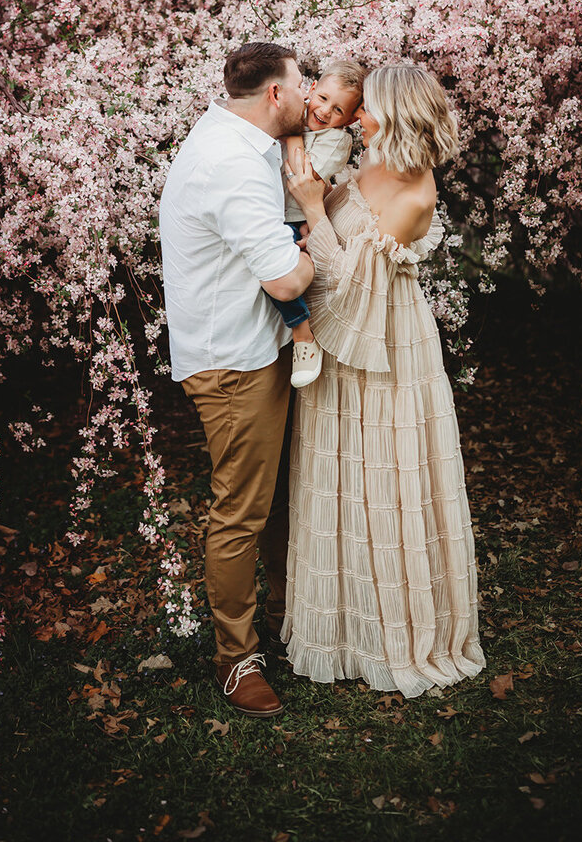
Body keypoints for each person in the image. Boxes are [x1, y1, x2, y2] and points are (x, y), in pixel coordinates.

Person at [281, 63, 486, 697]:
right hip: (342, 352)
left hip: (385, 345)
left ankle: (392, 632)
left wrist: (315, 205)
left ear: (394, 115)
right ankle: (340, 624)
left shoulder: (415, 195)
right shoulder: (368, 163)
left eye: (367, 109)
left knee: (384, 475)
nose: (357, 119)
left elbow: (345, 284)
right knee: (339, 475)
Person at [159, 41, 314, 717]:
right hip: (234, 363)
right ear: (274, 94)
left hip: (256, 347)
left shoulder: (238, 143)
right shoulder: (231, 163)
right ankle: (235, 659)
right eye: (302, 84)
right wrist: (313, 251)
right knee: (241, 511)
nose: (310, 97)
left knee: (274, 499)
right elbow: (283, 276)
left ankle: (286, 619)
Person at [267, 60, 365, 390]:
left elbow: (302, 179)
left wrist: (292, 130)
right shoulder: (290, 113)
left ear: (350, 120)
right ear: (311, 89)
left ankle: (302, 334)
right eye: (322, 98)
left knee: (276, 271)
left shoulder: (337, 141)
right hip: (266, 210)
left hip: (294, 219)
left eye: (338, 110)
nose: (324, 111)